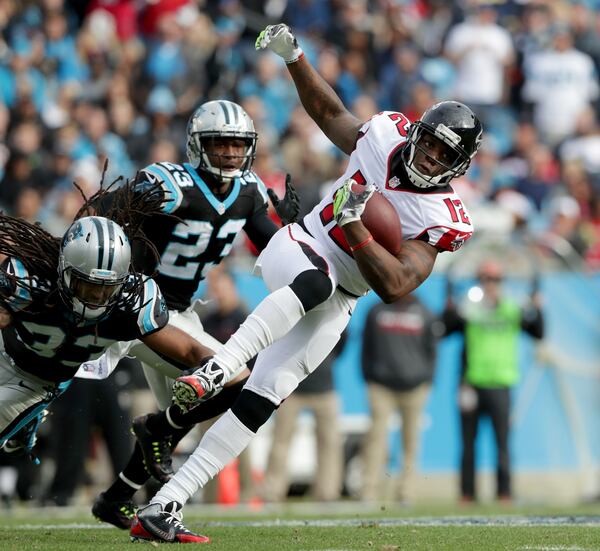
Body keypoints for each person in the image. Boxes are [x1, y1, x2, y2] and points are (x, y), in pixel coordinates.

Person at [130, 23, 482, 544]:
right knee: (313, 284)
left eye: (442, 155)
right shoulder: (385, 133)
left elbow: (399, 284)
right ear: (416, 133)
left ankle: (164, 505)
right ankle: (217, 369)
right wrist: (294, 56)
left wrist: (357, 228)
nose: (429, 157)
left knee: (261, 399)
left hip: (345, 294)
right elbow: (330, 114)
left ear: (460, 164)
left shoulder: (446, 215)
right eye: (428, 143)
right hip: (300, 246)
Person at [87, 99, 300, 529]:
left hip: (179, 312)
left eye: (237, 146)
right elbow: (100, 216)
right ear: (197, 146)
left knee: (184, 412)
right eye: (219, 144)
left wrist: (292, 231)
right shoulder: (169, 184)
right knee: (232, 381)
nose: (229, 154)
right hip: (138, 305)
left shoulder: (250, 192)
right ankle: (151, 434)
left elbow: (274, 251)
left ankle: (118, 497)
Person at [0, 214, 216, 467]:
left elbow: (190, 349)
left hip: (36, 382)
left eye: (107, 288)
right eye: (87, 285)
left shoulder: (131, 303)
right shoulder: (30, 281)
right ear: (64, 272)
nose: (97, 296)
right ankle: (25, 423)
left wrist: (211, 366)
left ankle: (27, 418)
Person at [441, 260, 544, 503]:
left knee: (502, 444)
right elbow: (444, 330)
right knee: (468, 444)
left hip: (501, 383)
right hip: (472, 383)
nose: (490, 285)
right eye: (485, 279)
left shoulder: (512, 308)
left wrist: (538, 308)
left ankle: (504, 493)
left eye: (495, 280)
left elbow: (539, 333)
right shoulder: (470, 308)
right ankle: (467, 494)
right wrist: (449, 306)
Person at [359, 293, 439, 504]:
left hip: (415, 387)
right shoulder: (376, 310)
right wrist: (370, 378)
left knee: (411, 442)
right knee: (376, 440)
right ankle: (369, 491)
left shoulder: (424, 311)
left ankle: (406, 493)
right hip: (381, 386)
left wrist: (427, 381)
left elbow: (432, 350)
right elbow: (366, 347)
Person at [260, 333, 346, 503]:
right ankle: (272, 492)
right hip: (291, 388)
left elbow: (341, 342)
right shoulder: (297, 311)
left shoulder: (335, 312)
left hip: (324, 386)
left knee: (329, 443)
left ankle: (327, 493)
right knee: (281, 441)